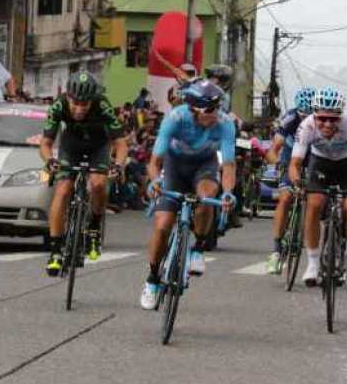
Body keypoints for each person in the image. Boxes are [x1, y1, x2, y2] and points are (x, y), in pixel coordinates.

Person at [139, 80, 237, 310]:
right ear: (195, 109)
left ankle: (198, 247)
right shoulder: (176, 118)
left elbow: (229, 165)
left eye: (219, 107)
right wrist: (154, 180)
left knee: (207, 196)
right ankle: (152, 279)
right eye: (211, 109)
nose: (217, 114)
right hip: (174, 166)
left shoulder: (225, 124)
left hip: (204, 165)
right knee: (163, 225)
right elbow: (155, 162)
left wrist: (228, 193)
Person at [40, 71, 128, 276]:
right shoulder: (58, 106)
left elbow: (121, 143)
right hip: (71, 148)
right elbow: (45, 144)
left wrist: (119, 164)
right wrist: (50, 160)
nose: (79, 109)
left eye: (85, 105)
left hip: (98, 147)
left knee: (98, 184)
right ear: (68, 97)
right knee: (62, 190)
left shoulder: (102, 105)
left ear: (92, 101)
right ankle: (55, 250)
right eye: (75, 104)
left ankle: (94, 227)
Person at [289, 87, 347, 290]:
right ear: (314, 115)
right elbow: (294, 164)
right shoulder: (306, 126)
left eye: (333, 119)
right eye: (322, 119)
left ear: (340, 117)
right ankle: (312, 262)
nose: (327, 124)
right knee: (315, 202)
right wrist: (296, 182)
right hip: (320, 164)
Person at [264, 87, 315, 274]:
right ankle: (276, 250)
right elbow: (273, 148)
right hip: (289, 158)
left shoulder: (320, 121)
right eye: (303, 115)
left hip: (311, 160)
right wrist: (278, 165)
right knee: (285, 198)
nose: (305, 120)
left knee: (314, 201)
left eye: (309, 116)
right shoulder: (290, 118)